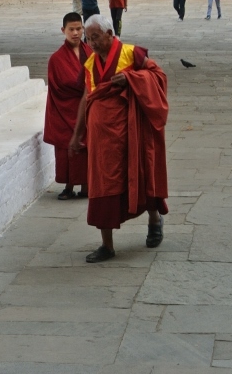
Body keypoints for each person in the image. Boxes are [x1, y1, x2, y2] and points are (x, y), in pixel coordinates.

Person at [69, 15, 168, 263]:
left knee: (142, 173)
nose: (91, 43)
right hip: (102, 139)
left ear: (110, 33)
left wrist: (133, 79)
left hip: (133, 133)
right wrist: (76, 134)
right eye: (88, 38)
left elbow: (158, 76)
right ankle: (107, 245)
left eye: (95, 37)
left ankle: (154, 219)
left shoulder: (131, 53)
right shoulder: (90, 64)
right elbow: (86, 98)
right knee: (103, 185)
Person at [43, 13, 92, 200]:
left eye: (79, 29)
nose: (75, 33)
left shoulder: (90, 52)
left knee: (87, 148)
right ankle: (69, 186)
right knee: (67, 148)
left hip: (87, 108)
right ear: (63, 31)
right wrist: (82, 90)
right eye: (71, 29)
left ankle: (87, 186)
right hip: (66, 108)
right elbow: (57, 88)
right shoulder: (56, 59)